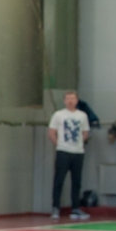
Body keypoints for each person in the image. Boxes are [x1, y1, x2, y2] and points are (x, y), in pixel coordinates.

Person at [48, 91, 90, 220]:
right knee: (59, 180)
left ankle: (75, 208)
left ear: (76, 100)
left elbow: (85, 132)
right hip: (63, 151)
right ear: (64, 101)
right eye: (68, 98)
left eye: (72, 98)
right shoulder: (58, 115)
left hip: (78, 152)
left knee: (76, 181)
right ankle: (55, 208)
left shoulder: (82, 115)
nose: (70, 101)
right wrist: (59, 144)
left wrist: (78, 144)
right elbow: (51, 132)